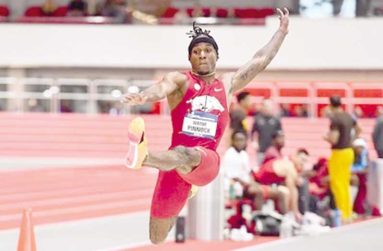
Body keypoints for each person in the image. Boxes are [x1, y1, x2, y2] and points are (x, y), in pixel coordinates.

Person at [122, 8, 290, 244]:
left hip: (207, 160)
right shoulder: (180, 80)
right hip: (174, 163)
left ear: (216, 56)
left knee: (185, 153)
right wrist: (143, 97)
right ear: (189, 58)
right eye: (196, 51)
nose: (202, 54)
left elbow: (260, 60)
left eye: (207, 50)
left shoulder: (227, 83)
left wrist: (281, 33)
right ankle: (186, 187)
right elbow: (160, 88)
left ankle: (142, 157)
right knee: (157, 237)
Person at [323, 95, 356, 222]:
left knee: (337, 183)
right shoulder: (348, 116)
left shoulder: (335, 119)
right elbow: (358, 129)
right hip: (349, 151)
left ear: (330, 105)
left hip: (339, 152)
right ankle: (348, 211)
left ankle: (342, 213)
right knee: (345, 183)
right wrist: (349, 140)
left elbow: (334, 139)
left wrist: (326, 138)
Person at [253, 149, 310, 219]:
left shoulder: (287, 162)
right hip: (256, 183)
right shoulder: (289, 167)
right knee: (286, 192)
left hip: (265, 183)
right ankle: (287, 218)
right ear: (295, 156)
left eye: (305, 162)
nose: (302, 164)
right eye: (302, 160)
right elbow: (292, 191)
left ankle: (289, 216)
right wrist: (296, 212)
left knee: (292, 187)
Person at [251, 98, 282, 166]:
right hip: (261, 150)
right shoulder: (257, 119)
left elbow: (280, 134)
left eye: (269, 105)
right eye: (266, 105)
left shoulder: (276, 120)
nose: (267, 107)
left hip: (273, 151)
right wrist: (254, 142)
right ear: (262, 106)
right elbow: (252, 132)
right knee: (260, 169)